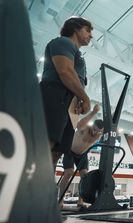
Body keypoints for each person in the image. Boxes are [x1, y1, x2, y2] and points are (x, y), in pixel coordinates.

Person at [40, 16, 93, 168]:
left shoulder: (77, 55)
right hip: (54, 93)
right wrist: (85, 98)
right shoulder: (63, 42)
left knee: (57, 151)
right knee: (44, 145)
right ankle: (24, 188)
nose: (91, 35)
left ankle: (43, 188)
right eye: (87, 30)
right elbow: (65, 71)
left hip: (70, 102)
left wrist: (79, 99)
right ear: (76, 28)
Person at [58, 104, 103, 208]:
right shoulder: (85, 127)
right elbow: (78, 125)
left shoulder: (99, 134)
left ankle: (80, 201)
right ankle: (60, 201)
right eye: (94, 129)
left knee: (85, 176)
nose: (95, 132)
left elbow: (111, 128)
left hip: (82, 155)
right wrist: (94, 112)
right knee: (68, 173)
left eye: (98, 131)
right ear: (93, 125)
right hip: (70, 151)